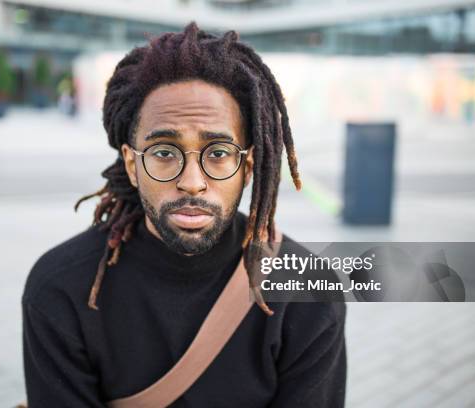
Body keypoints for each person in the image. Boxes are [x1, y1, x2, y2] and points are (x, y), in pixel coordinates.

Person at [22, 22, 346, 407]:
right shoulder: (61, 290)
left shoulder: (308, 294)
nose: (192, 182)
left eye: (219, 153)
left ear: (249, 166)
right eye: (163, 153)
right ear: (131, 164)